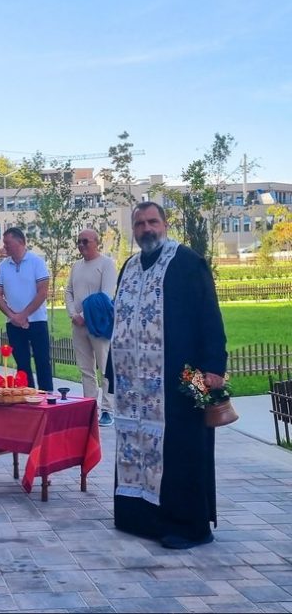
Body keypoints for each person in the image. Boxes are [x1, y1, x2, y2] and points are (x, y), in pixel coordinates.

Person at [112, 202, 228, 550]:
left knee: (184, 449)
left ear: (165, 224)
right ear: (134, 229)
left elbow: (209, 315)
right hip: (135, 384)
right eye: (140, 224)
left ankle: (190, 527)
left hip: (185, 376)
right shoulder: (129, 267)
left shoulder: (188, 262)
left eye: (153, 222)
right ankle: (140, 519)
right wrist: (113, 373)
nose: (147, 229)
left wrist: (213, 369)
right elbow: (120, 322)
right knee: (136, 446)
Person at [65, 228, 117, 426]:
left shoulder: (106, 264)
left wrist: (84, 316)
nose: (81, 245)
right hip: (78, 325)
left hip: (99, 324)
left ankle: (108, 410)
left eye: (85, 241)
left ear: (97, 242)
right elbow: (68, 291)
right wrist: (73, 314)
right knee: (85, 369)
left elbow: (106, 295)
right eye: (78, 241)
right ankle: (89, 407)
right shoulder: (76, 266)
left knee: (105, 368)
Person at [0, 227, 53, 391]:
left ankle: (47, 396)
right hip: (13, 323)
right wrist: (13, 316)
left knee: (42, 361)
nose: (5, 246)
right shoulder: (3, 266)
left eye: (7, 243)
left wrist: (24, 315)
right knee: (22, 363)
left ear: (20, 242)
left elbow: (42, 292)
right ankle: (26, 395)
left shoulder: (37, 262)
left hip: (37, 320)